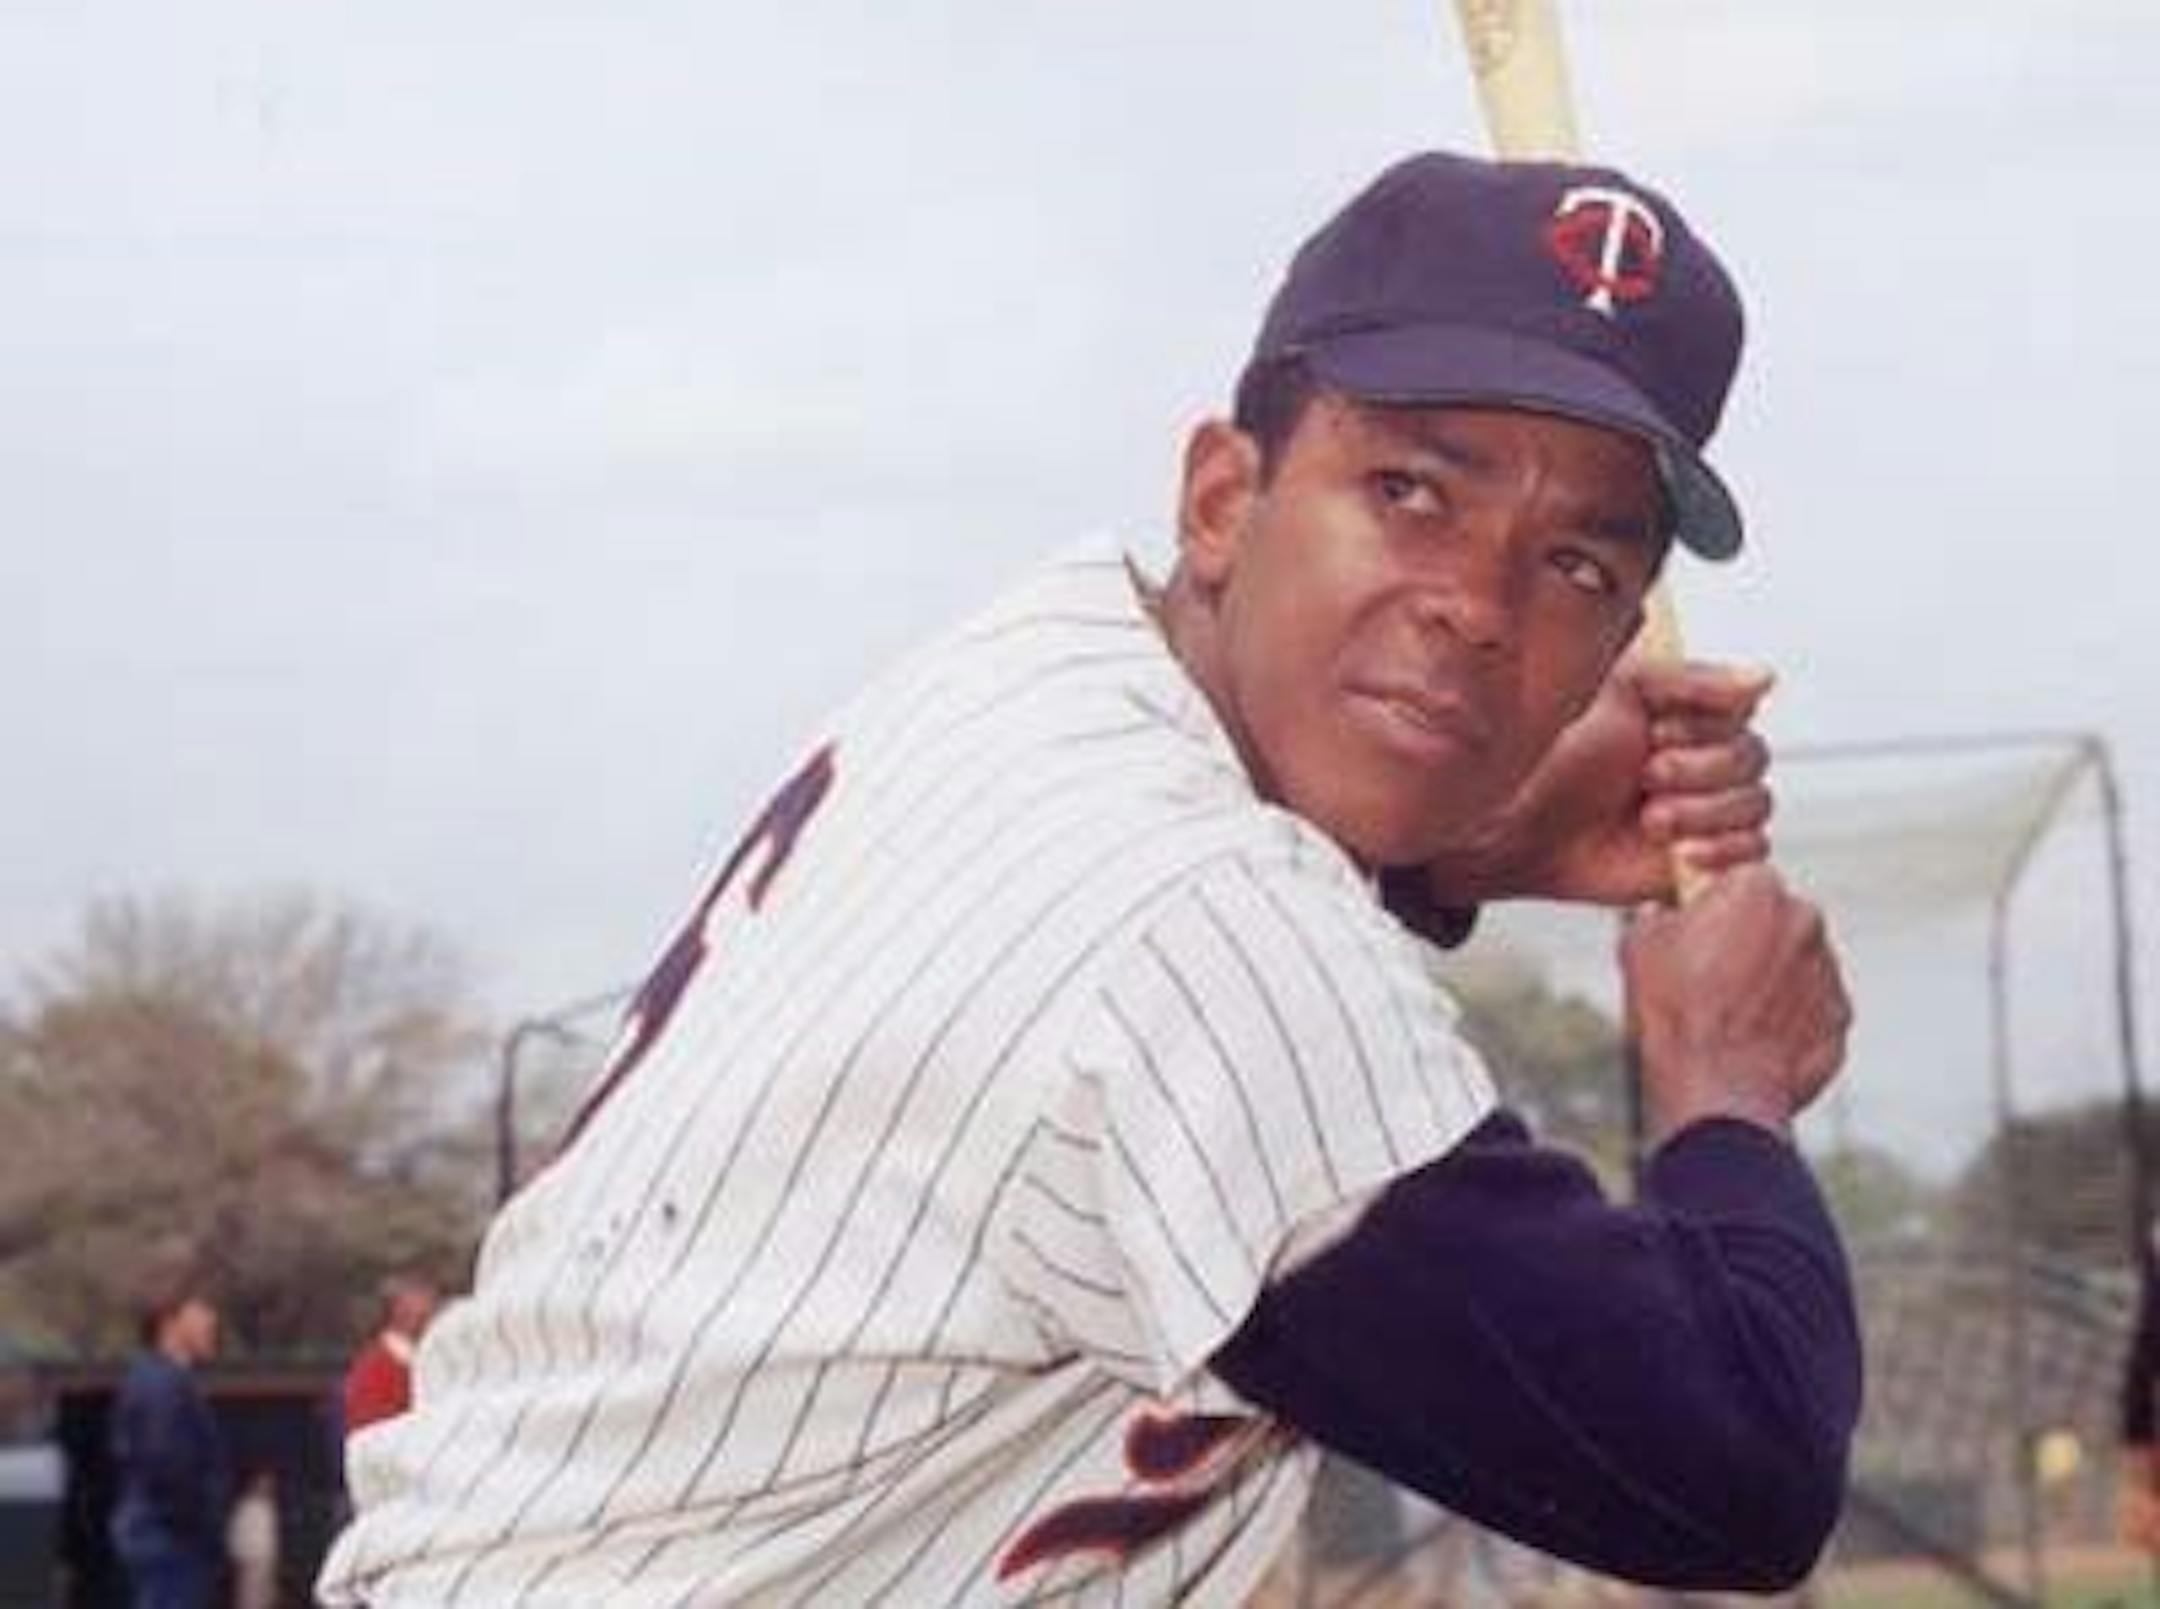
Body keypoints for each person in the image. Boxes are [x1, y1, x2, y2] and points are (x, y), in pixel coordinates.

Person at [321, 149, 1860, 1605]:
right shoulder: (1203, 929)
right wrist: (1725, 1082)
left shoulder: (1037, 668)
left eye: (1580, 566)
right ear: (1222, 499)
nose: (1474, 606)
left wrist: (1464, 848)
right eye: (1410, 490)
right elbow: (1731, 1466)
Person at [109, 1283, 230, 1609]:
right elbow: (165, 1464)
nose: (211, 1322)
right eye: (200, 1313)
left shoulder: (160, 1379)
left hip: (164, 1531)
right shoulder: (161, 1385)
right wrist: (201, 1522)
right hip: (169, 1535)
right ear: (169, 1322)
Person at [343, 1276, 440, 1439]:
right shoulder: (375, 1369)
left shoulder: (434, 1359)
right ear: (397, 1310)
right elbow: (369, 1431)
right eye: (420, 1307)